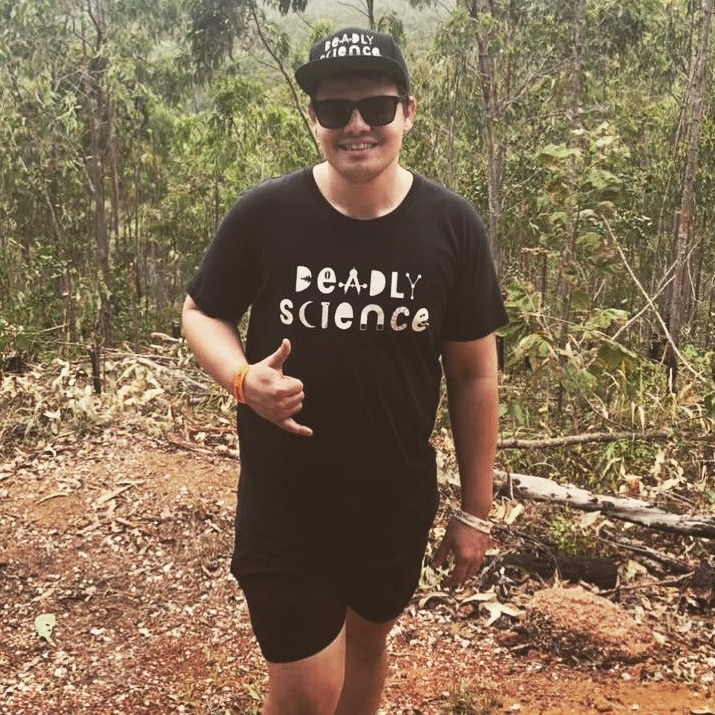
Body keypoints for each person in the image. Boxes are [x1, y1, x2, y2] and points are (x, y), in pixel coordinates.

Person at [181, 26, 508, 715]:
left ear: (408, 112)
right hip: (284, 501)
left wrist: (474, 511)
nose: (356, 125)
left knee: (366, 643)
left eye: (376, 107)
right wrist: (243, 379)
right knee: (305, 693)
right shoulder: (267, 213)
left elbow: (474, 374)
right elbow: (200, 312)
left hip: (393, 500)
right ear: (313, 121)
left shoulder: (451, 225)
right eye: (334, 111)